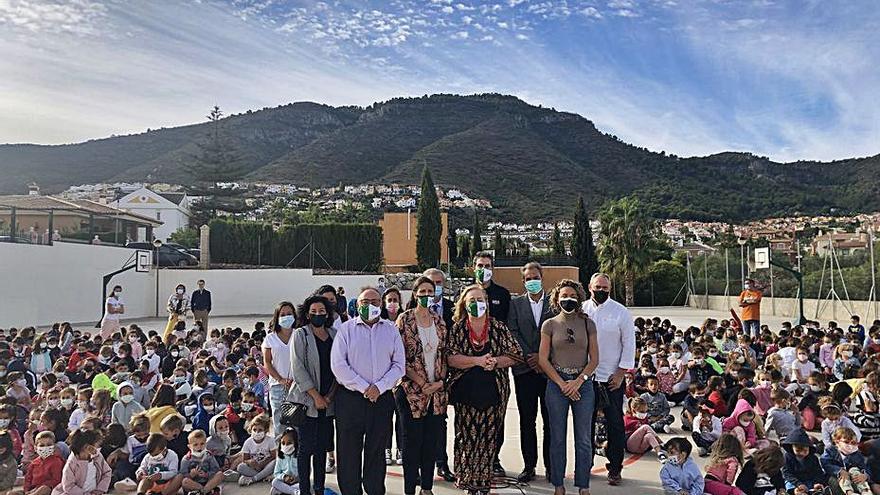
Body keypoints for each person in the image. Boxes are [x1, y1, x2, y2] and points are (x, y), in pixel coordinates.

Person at [447, 284, 522, 495]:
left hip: (494, 392)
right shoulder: (458, 329)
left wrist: (496, 361)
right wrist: (477, 361)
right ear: (464, 304)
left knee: (488, 438)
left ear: (487, 304)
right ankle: (466, 481)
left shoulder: (498, 327)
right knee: (466, 437)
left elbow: (516, 355)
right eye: (472, 300)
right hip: (466, 392)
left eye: (480, 300)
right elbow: (451, 358)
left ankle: (482, 484)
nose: (477, 304)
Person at [330, 287, 405, 495]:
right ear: (358, 304)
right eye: (365, 302)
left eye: (374, 301)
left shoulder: (391, 330)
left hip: (381, 400)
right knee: (348, 451)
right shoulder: (346, 330)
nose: (370, 305)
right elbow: (338, 365)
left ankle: (374, 490)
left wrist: (379, 388)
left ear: (380, 305)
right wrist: (365, 387)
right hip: (351, 399)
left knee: (376, 450)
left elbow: (399, 365)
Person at [537, 278, 598, 495]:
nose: (568, 300)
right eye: (564, 296)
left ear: (579, 298)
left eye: (572, 296)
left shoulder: (587, 323)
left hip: (583, 384)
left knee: (583, 438)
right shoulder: (550, 324)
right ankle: (558, 484)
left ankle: (583, 485)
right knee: (557, 437)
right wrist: (562, 383)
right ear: (556, 299)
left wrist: (578, 381)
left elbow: (594, 359)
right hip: (557, 384)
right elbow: (543, 359)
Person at [396, 277, 448, 495]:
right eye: (422, 291)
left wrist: (438, 383)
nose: (426, 295)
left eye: (430, 291)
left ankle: (426, 488)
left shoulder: (440, 321)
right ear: (415, 294)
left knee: (430, 442)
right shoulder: (404, 320)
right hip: (410, 391)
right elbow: (399, 357)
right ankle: (410, 488)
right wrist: (421, 382)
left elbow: (445, 355)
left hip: (436, 393)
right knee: (412, 443)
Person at [582, 272, 636, 486]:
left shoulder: (620, 312)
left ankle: (615, 467)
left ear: (610, 289)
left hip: (612, 378)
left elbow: (629, 343)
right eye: (598, 287)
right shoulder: (582, 310)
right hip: (586, 377)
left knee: (615, 424)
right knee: (586, 424)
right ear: (589, 286)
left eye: (605, 288)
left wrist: (622, 373)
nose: (601, 291)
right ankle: (585, 464)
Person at [506, 262, 554, 483]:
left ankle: (552, 465)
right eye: (527, 278)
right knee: (527, 420)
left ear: (542, 277)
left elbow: (557, 332)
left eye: (535, 277)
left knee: (550, 420)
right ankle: (529, 465)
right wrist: (530, 356)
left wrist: (542, 357)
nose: (531, 281)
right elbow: (512, 331)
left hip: (549, 372)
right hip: (524, 370)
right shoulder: (515, 304)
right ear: (523, 281)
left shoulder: (554, 303)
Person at [290, 295, 338, 495]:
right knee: (305, 449)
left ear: (327, 313)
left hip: (329, 402)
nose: (318, 315)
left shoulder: (334, 334)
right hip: (306, 402)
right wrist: (316, 396)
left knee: (321, 449)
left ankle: (319, 488)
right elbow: (297, 367)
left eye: (322, 311)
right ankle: (304, 490)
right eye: (314, 311)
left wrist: (329, 396)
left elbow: (339, 366)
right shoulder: (301, 334)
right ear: (307, 314)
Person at [472, 251, 511, 477]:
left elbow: (508, 329)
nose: (482, 268)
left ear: (492, 268)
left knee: (497, 417)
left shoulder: (502, 295)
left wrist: (498, 359)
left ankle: (494, 458)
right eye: (479, 265)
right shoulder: (466, 293)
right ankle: (473, 458)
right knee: (470, 415)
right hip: (471, 365)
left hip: (496, 366)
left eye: (486, 265)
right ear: (473, 267)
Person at [423, 268, 455, 482]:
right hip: (420, 376)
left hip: (445, 374)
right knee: (420, 421)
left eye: (438, 283)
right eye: (431, 283)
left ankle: (441, 463)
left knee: (440, 420)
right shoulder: (411, 308)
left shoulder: (453, 309)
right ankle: (422, 463)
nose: (435, 287)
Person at [263, 301, 296, 435]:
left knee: (297, 425)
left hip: (297, 386)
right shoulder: (270, 338)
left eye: (289, 314)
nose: (286, 317)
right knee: (279, 426)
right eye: (282, 314)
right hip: (277, 387)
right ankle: (281, 454)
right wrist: (281, 379)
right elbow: (267, 363)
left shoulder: (299, 334)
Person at [53, 428, 112, 495]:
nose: (99, 448)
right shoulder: (72, 463)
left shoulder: (97, 457)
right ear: (88, 447)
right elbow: (68, 486)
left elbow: (107, 472)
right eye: (97, 445)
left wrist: (100, 490)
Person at [25, 431, 64, 495]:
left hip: (49, 489)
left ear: (54, 446)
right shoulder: (34, 463)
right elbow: (28, 479)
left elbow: (56, 480)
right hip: (33, 489)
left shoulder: (57, 461)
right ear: (35, 448)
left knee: (44, 489)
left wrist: (39, 487)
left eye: (49, 445)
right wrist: (26, 490)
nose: (45, 447)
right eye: (42, 445)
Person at [272, 429, 300, 495]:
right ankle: (295, 492)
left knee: (308, 485)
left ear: (295, 443)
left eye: (289, 443)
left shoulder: (300, 456)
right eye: (283, 443)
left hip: (297, 482)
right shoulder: (280, 457)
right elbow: (276, 473)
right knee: (275, 482)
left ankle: (285, 491)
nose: (285, 446)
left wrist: (297, 479)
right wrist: (284, 477)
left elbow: (307, 472)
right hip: (284, 482)